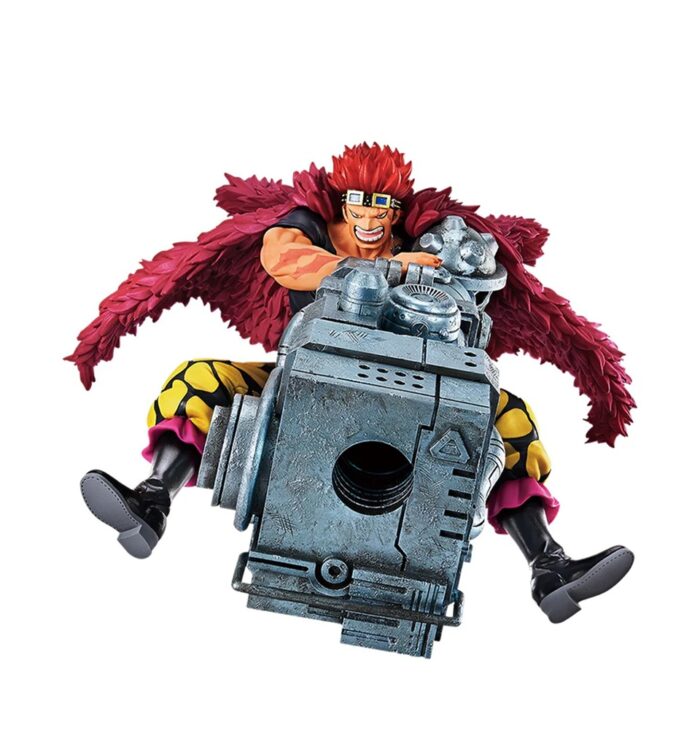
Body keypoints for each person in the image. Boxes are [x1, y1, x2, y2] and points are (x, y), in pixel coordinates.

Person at [69, 143, 635, 622]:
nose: (370, 216)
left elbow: (473, 290)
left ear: (396, 209)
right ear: (342, 202)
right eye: (359, 201)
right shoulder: (310, 227)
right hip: (304, 372)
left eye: (382, 204)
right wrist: (380, 270)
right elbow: (284, 258)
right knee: (197, 380)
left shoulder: (423, 242)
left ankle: (548, 564)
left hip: (419, 384)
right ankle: (153, 501)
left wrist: (449, 269)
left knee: (510, 419)